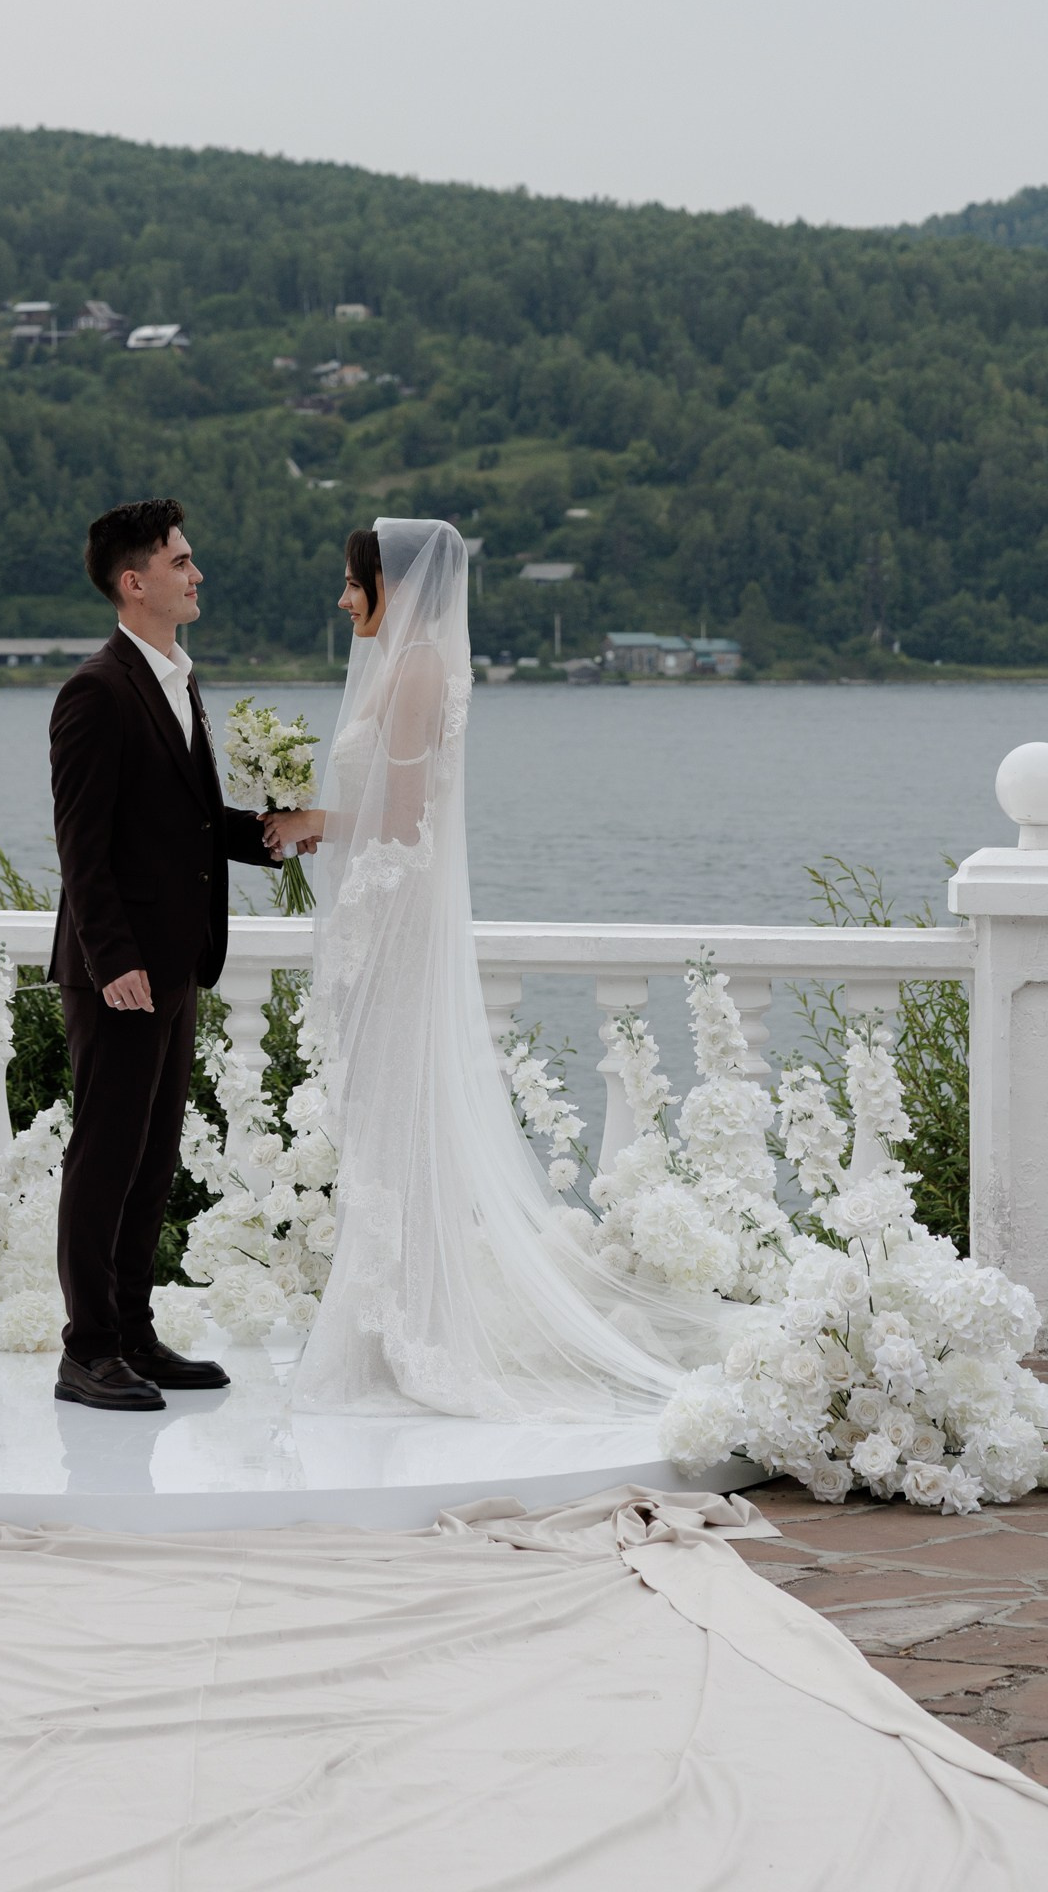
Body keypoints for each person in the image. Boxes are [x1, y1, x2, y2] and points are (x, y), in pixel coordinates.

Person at [265, 515, 718, 1421]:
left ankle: (412, 1330)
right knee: (382, 1121)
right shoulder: (402, 662)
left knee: (397, 1120)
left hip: (397, 931)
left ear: (394, 583)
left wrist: (314, 823)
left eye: (354, 581)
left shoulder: (417, 669)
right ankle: (386, 1322)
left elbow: (403, 819)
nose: (344, 598)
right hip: (379, 922)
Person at [48, 497, 279, 1410]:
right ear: (133, 582)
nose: (197, 573)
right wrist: (114, 961)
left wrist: (278, 834)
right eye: (180, 561)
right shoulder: (96, 691)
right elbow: (82, 845)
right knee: (105, 1157)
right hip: (122, 971)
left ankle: (134, 1334)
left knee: (152, 1160)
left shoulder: (179, 680)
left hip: (179, 962)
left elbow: (187, 821)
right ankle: (87, 1350)